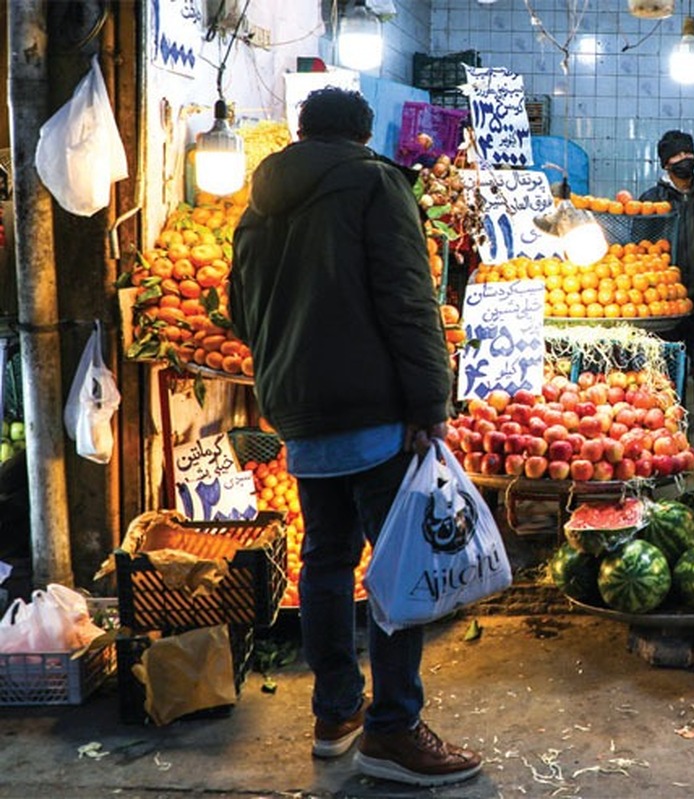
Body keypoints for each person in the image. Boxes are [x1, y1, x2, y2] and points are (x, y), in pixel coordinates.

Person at [229, 87, 481, 789]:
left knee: (327, 558)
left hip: (301, 413)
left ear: (303, 132)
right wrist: (433, 398)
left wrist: (290, 367)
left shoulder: (259, 202)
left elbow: (236, 309)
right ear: (364, 135)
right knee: (398, 565)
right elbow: (409, 296)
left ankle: (335, 713)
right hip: (374, 408)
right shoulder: (375, 184)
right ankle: (394, 729)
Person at [638, 130, 694, 463]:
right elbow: (640, 257)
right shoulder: (650, 202)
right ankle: (671, 440)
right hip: (664, 311)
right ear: (665, 163)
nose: (683, 160)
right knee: (666, 378)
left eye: (688, 153)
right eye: (676, 156)